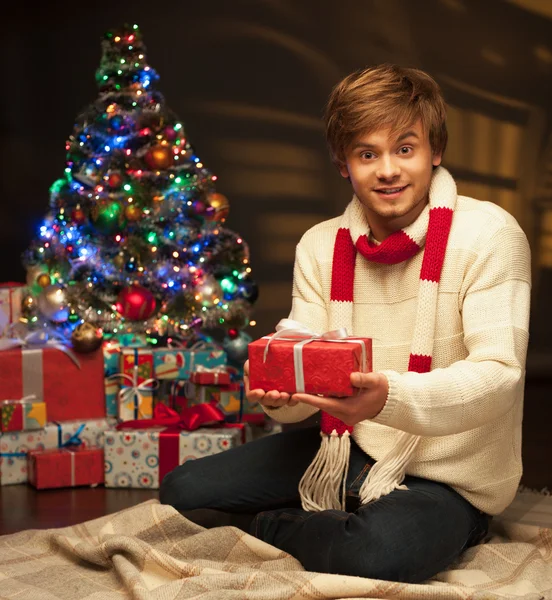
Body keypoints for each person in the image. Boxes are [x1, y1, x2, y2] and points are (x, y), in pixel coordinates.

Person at [159, 64, 531, 583]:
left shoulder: (490, 235)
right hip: (343, 450)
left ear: (435, 151)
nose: (388, 171)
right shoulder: (319, 244)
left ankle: (289, 529)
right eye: (366, 153)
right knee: (181, 493)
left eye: (405, 148)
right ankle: (330, 521)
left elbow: (499, 377)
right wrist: (276, 394)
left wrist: (388, 398)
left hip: (447, 476)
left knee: (375, 555)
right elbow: (302, 365)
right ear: (342, 163)